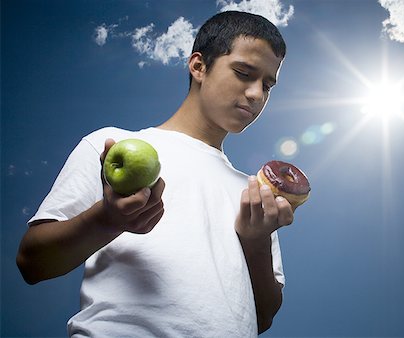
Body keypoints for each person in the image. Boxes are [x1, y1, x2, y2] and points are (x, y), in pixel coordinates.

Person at [17, 11, 294, 337]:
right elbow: (32, 262)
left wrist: (256, 240)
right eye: (243, 73)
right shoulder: (112, 144)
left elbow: (261, 318)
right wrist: (108, 219)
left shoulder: (253, 194)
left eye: (267, 85)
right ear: (199, 66)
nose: (256, 94)